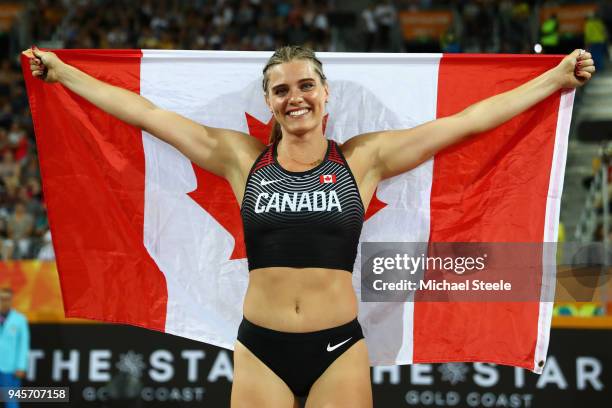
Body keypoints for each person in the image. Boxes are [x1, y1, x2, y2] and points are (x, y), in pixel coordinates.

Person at [23, 44, 594, 407]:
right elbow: (147, 114)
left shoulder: (362, 160)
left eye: (305, 86)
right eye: (281, 89)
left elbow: (466, 122)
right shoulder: (242, 158)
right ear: (268, 102)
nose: (294, 97)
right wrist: (67, 75)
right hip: (261, 347)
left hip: (338, 347)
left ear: (325, 95)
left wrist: (554, 80)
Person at [0, 288, 30, 408]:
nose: (4, 302)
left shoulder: (19, 320)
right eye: (1, 299)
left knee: (11, 402)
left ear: (12, 300)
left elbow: (23, 345)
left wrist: (21, 366)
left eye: (7, 299)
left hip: (10, 369)